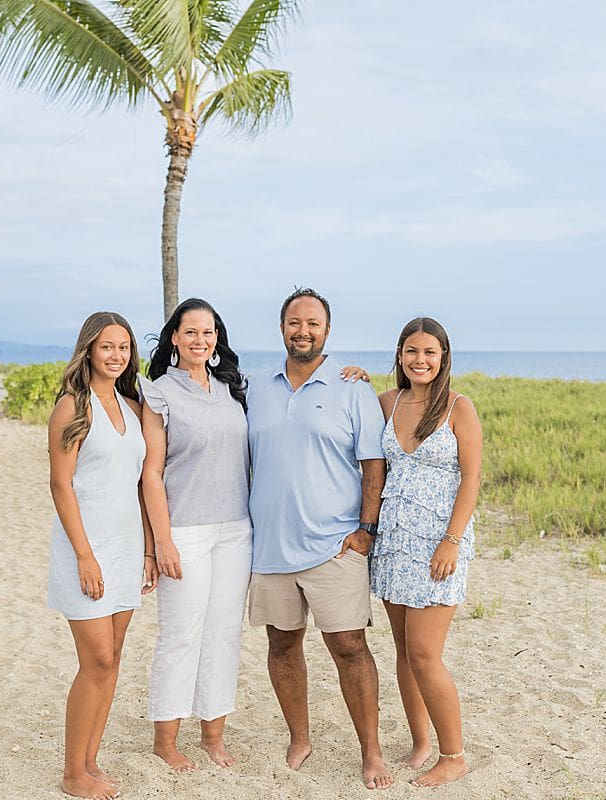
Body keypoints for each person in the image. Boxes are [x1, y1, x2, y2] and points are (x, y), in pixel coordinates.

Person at [245, 287, 394, 790]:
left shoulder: (353, 389)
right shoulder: (255, 386)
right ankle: (300, 737)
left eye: (312, 323)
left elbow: (374, 464)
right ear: (281, 328)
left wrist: (366, 530)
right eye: (294, 322)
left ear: (327, 330)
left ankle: (371, 752)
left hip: (336, 544)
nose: (302, 331)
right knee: (282, 643)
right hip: (270, 546)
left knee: (349, 646)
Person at [46, 311, 158, 800]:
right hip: (85, 549)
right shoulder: (72, 407)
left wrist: (149, 549)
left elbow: (140, 486)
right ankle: (73, 773)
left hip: (126, 546)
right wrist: (84, 556)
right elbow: (61, 485)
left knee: (112, 660)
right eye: (107, 346)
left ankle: (90, 761)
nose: (116, 355)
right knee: (95, 660)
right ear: (89, 349)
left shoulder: (132, 407)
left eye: (123, 347)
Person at [140, 298, 252, 771]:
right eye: (190, 332)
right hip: (184, 530)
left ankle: (212, 735)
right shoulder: (160, 392)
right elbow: (151, 473)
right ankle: (166, 741)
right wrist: (161, 541)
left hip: (236, 529)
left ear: (217, 338)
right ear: (174, 337)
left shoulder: (231, 389)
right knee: (181, 634)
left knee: (223, 633)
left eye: (208, 333)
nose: (200, 340)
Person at [369, 316, 482, 788]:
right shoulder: (386, 402)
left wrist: (451, 541)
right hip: (393, 541)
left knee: (425, 652)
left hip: (439, 545)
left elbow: (471, 479)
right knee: (404, 650)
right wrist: (351, 376)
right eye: (412, 351)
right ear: (400, 355)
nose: (420, 360)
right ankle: (421, 742)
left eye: (429, 352)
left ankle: (453, 755)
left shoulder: (458, 407)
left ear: (443, 357)